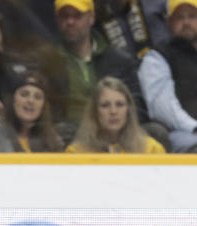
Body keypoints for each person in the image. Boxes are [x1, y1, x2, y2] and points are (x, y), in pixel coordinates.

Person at [38, 0, 149, 143]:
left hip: (116, 132)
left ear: (91, 18)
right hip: (72, 137)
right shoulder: (48, 61)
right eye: (64, 16)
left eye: (77, 16)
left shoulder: (118, 59)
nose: (70, 21)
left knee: (154, 132)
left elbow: (137, 106)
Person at [138, 0, 197, 152]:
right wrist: (194, 127)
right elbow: (164, 110)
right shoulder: (156, 57)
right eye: (179, 17)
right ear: (168, 22)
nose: (186, 22)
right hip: (183, 133)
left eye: (192, 16)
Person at [66, 75, 166, 151]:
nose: (113, 111)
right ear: (94, 111)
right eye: (105, 105)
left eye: (120, 104)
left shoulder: (151, 149)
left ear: (128, 110)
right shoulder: (76, 152)